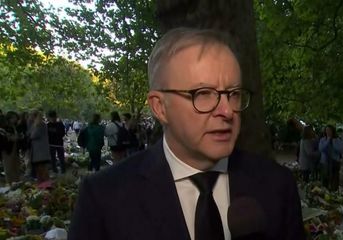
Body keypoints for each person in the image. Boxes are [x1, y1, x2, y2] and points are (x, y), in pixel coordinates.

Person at [69, 28, 305, 240]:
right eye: (203, 93)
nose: (227, 111)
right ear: (160, 107)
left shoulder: (276, 185)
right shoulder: (103, 198)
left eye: (234, 94)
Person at [319, 125, 343, 191]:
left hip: (335, 162)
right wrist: (328, 140)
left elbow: (340, 149)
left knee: (334, 179)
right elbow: (321, 149)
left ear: (333, 131)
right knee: (325, 179)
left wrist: (333, 142)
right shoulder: (323, 139)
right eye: (326, 130)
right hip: (324, 162)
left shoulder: (337, 139)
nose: (328, 132)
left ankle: (334, 193)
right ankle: (324, 192)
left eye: (329, 130)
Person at [0, 111, 21, 184]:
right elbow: (4, 138)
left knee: (16, 167)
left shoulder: (15, 126)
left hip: (15, 149)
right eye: (14, 118)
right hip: (7, 150)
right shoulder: (4, 127)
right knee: (9, 168)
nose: (16, 119)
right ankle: (10, 184)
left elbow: (16, 137)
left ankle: (17, 182)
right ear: (9, 118)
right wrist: (10, 137)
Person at [30, 110, 51, 182]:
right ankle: (42, 186)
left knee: (42, 169)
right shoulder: (40, 124)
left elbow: (33, 135)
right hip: (40, 151)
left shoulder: (39, 124)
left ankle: (46, 185)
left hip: (40, 151)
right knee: (40, 169)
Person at [47, 110, 66, 174]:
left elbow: (63, 133)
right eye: (51, 117)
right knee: (52, 159)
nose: (52, 119)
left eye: (53, 117)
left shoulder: (60, 124)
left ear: (55, 117)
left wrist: (56, 133)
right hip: (51, 144)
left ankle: (63, 170)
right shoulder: (48, 125)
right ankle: (55, 171)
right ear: (49, 118)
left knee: (61, 158)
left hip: (59, 144)